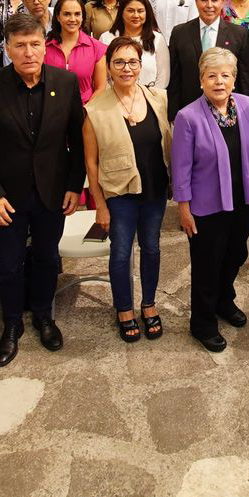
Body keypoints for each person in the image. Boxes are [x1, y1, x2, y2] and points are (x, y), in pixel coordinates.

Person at [0, 12, 86, 368]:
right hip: (6, 197)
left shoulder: (64, 83)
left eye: (35, 44)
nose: (29, 52)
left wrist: (73, 186)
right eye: (20, 46)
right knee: (8, 264)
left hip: (52, 192)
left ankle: (43, 317)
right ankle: (11, 324)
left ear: (43, 45)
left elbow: (78, 141)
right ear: (8, 49)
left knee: (48, 258)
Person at [172, 47, 249, 351]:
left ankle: (225, 301)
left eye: (225, 75)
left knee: (236, 255)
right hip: (206, 207)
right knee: (207, 265)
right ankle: (203, 323)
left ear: (234, 79)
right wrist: (183, 208)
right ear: (201, 80)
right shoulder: (188, 117)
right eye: (212, 76)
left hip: (243, 200)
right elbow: (181, 169)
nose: (219, 81)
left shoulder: (247, 106)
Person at [83, 37, 172, 343]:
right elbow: (91, 163)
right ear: (108, 67)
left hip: (155, 191)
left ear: (140, 64)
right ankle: (124, 309)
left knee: (152, 247)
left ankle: (149, 304)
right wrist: (100, 204)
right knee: (121, 253)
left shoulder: (157, 98)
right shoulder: (95, 109)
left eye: (132, 62)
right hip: (120, 194)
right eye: (119, 62)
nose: (126, 68)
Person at [168, 0, 249, 117]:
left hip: (228, 112)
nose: (209, 5)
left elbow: (246, 79)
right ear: (196, 1)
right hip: (189, 112)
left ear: (223, 2)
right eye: (204, 0)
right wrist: (172, 115)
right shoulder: (179, 33)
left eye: (214, 0)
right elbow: (174, 78)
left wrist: (245, 114)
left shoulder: (240, 34)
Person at [101, 0, 171, 92]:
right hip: (114, 99)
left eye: (140, 11)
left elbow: (163, 76)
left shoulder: (157, 39)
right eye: (130, 11)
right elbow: (103, 76)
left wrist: (149, 97)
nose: (136, 15)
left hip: (151, 99)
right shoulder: (106, 38)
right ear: (121, 12)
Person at [45, 0, 109, 104]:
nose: (72, 19)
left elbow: (101, 87)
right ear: (58, 16)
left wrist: (86, 111)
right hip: (50, 111)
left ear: (83, 17)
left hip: (85, 111)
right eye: (67, 14)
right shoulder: (44, 47)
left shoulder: (97, 48)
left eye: (77, 14)